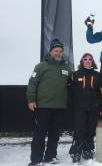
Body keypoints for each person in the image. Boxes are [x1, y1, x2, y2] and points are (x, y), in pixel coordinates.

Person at [26, 38, 72, 166]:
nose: (58, 53)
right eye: (56, 51)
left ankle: (50, 157)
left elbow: (71, 85)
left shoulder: (67, 68)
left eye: (61, 51)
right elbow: (32, 83)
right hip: (43, 106)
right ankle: (36, 160)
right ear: (51, 51)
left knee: (54, 135)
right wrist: (31, 100)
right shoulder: (41, 66)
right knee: (39, 134)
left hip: (59, 107)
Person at [69, 53, 102, 163]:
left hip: (93, 107)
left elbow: (100, 92)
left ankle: (88, 150)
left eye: (90, 59)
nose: (88, 61)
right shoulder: (75, 74)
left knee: (90, 130)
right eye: (85, 59)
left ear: (93, 61)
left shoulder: (97, 75)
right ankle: (76, 152)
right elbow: (70, 92)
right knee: (79, 130)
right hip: (80, 108)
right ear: (82, 61)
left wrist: (100, 106)